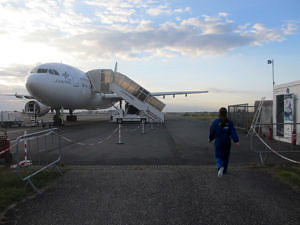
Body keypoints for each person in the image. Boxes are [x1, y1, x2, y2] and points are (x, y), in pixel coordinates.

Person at [209, 107, 240, 177]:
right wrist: (236, 140)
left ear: (219, 113)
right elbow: (233, 132)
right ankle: (224, 170)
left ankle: (220, 166)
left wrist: (211, 138)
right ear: (226, 113)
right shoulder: (229, 122)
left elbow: (212, 131)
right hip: (227, 142)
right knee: (226, 157)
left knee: (218, 156)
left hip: (218, 142)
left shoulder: (215, 122)